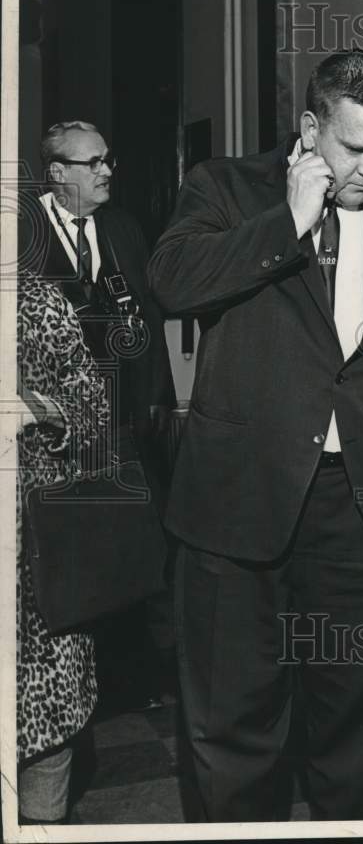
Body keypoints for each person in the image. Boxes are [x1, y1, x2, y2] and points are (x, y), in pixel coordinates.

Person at [148, 51, 363, 822]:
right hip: (238, 505)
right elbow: (172, 283)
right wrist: (287, 221)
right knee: (232, 731)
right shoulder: (225, 187)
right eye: (356, 149)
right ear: (311, 127)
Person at [20, 120, 176, 711]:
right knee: (67, 546)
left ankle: (128, 676)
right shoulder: (21, 231)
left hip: (121, 419)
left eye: (109, 160)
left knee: (126, 542)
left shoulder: (124, 228)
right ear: (57, 173)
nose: (108, 171)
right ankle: (72, 680)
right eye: (94, 163)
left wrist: (156, 392)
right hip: (51, 431)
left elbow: (151, 319)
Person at [16, 270, 109, 824]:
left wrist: (41, 410)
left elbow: (93, 408)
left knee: (47, 731)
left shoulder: (38, 297)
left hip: (38, 552)